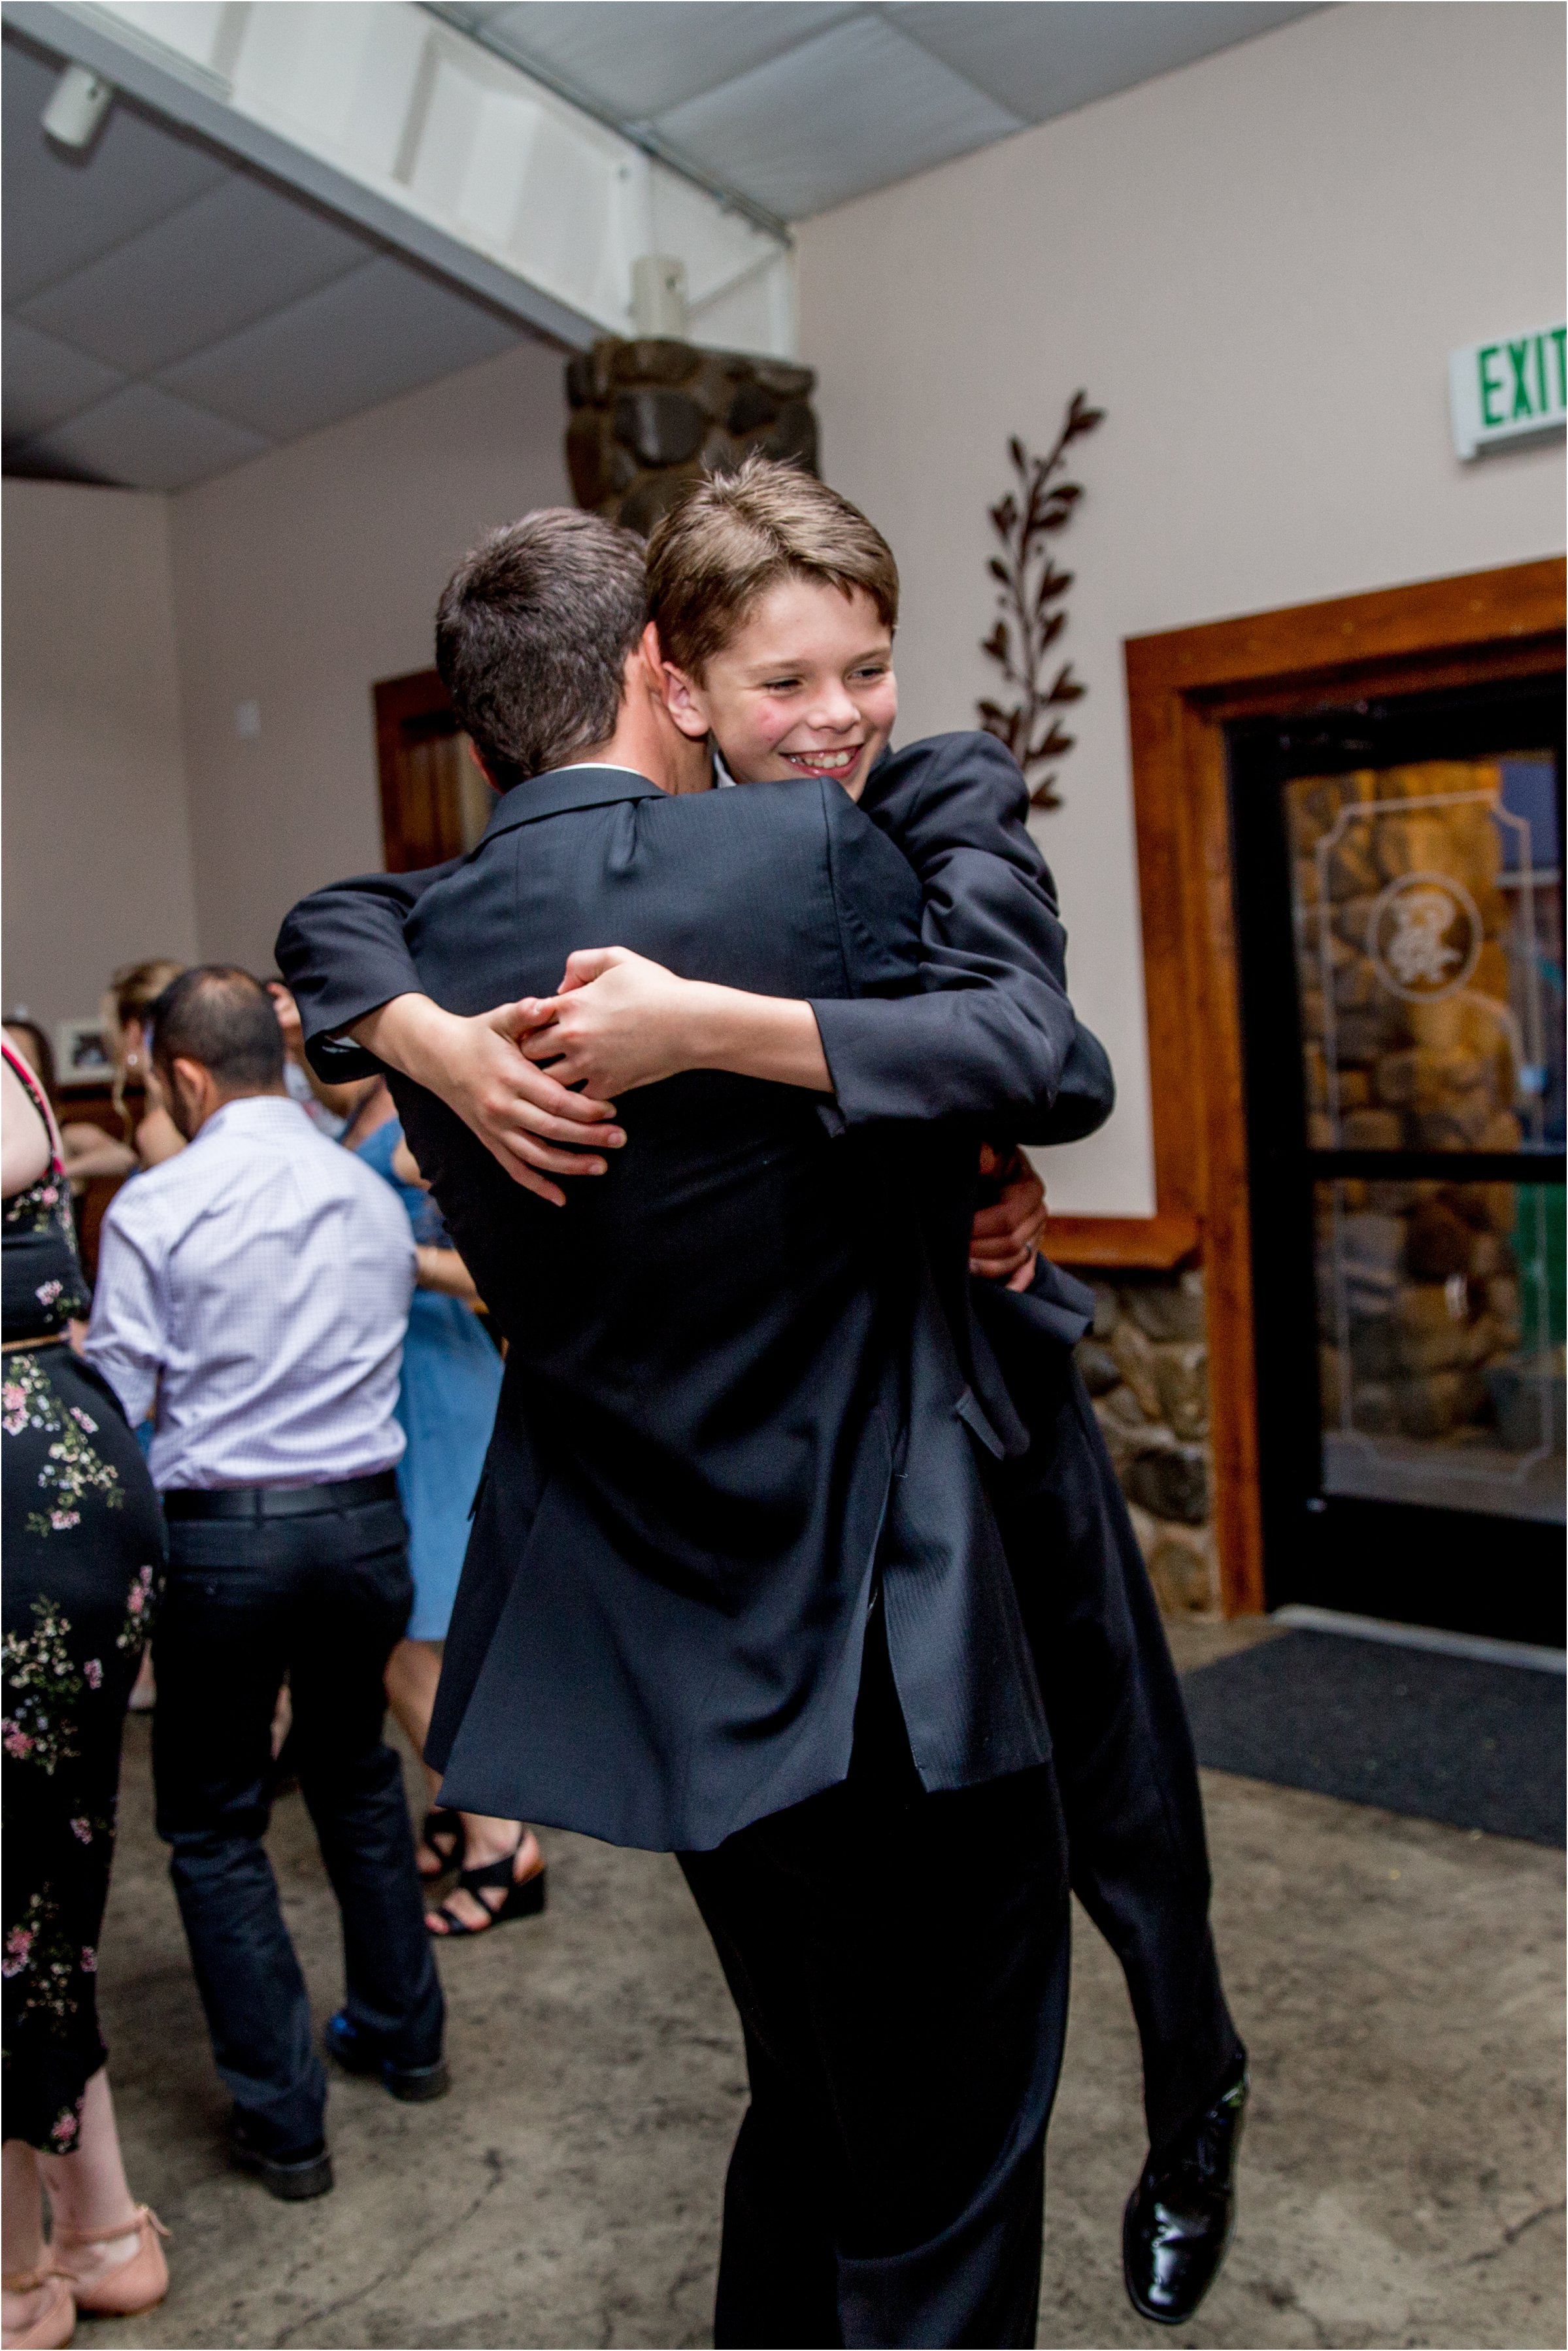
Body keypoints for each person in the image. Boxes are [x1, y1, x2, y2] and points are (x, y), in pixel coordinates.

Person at [284, 462, 1248, 2328]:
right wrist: (418, 1036)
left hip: (986, 1435)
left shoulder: (929, 800)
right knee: (874, 2082)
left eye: (867, 668)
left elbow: (1039, 1048)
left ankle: (1195, 2093)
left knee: (1134, 1836)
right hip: (800, 1559)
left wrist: (712, 1032)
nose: (842, 718)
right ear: (685, 687)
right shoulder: (695, 869)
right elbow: (338, 921)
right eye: (791, 681)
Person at [84, 969, 447, 2205]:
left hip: (228, 1541)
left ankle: (285, 2120)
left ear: (184, 1077)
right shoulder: (366, 1188)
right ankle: (408, 2037)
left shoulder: (157, 1203)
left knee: (216, 1823)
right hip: (361, 1529)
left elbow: (126, 1413)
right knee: (355, 1779)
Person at [2, 1041, 171, 2350]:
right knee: (38, 1895)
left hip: (24, 1500)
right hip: (62, 1459)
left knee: (18, 1900)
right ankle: (100, 2227)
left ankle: (13, 2282)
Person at [339, 1076, 537, 1935]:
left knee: (404, 1631)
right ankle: (457, 1811)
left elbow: (496, 1259)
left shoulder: (423, 1103)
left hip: (436, 1379)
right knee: (419, 1626)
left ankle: (503, 1836)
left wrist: (402, 1263)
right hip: (395, 1382)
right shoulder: (356, 1110)